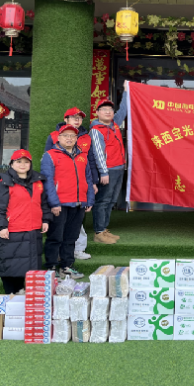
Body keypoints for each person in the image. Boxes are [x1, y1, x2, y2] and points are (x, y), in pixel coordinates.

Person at [45, 106, 109, 257]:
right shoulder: (54, 136)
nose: (77, 120)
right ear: (65, 119)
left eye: (79, 118)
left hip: (80, 186)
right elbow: (48, 162)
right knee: (60, 222)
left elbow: (90, 161)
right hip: (61, 187)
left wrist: (93, 182)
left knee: (76, 221)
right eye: (74, 117)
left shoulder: (86, 137)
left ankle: (78, 249)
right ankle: (58, 254)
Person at [0, 149, 52, 295]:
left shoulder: (38, 181)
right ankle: (11, 294)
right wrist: (1, 226)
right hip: (13, 230)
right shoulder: (4, 182)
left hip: (33, 230)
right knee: (10, 265)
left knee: (30, 266)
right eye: (19, 162)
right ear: (12, 164)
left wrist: (46, 219)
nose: (22, 165)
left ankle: (23, 295)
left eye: (26, 162)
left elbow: (43, 203)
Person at [40, 124, 96, 279]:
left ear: (76, 138)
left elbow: (88, 179)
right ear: (58, 138)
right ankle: (51, 268)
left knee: (71, 238)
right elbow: (47, 181)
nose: (69, 138)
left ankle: (67, 267)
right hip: (59, 204)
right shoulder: (50, 155)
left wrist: (89, 199)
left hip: (79, 204)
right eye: (66, 135)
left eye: (72, 136)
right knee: (55, 237)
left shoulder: (82, 156)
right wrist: (54, 203)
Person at [89, 80, 130, 243]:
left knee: (112, 200)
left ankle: (104, 229)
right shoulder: (96, 130)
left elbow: (124, 110)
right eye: (104, 109)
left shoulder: (114, 124)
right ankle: (99, 232)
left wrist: (126, 90)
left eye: (110, 110)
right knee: (103, 201)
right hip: (108, 170)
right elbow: (98, 153)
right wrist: (103, 172)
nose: (108, 112)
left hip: (119, 168)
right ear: (97, 113)